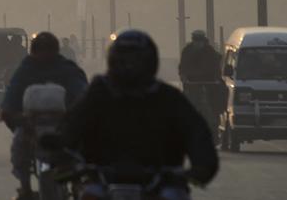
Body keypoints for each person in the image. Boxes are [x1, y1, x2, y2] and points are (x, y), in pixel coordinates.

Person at [59, 30, 218, 200]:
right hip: (103, 180)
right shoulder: (98, 94)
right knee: (89, 194)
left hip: (160, 182)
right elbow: (71, 124)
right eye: (124, 61)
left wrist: (203, 164)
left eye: (136, 61)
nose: (129, 67)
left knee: (174, 196)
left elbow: (196, 131)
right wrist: (59, 148)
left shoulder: (167, 96)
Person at [0, 32, 88, 200]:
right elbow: (10, 100)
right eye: (41, 51)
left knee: (81, 154)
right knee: (19, 149)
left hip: (63, 126)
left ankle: (78, 185)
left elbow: (82, 96)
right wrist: (15, 117)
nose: (44, 55)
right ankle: (25, 187)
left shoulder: (67, 69)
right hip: (31, 128)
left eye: (47, 51)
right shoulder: (26, 69)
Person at [178, 30, 223, 130]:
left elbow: (216, 67)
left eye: (200, 40)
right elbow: (182, 67)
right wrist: (184, 78)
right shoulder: (187, 51)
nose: (198, 43)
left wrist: (217, 79)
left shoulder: (210, 51)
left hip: (210, 83)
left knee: (217, 100)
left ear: (204, 40)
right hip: (191, 83)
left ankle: (217, 122)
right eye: (196, 40)